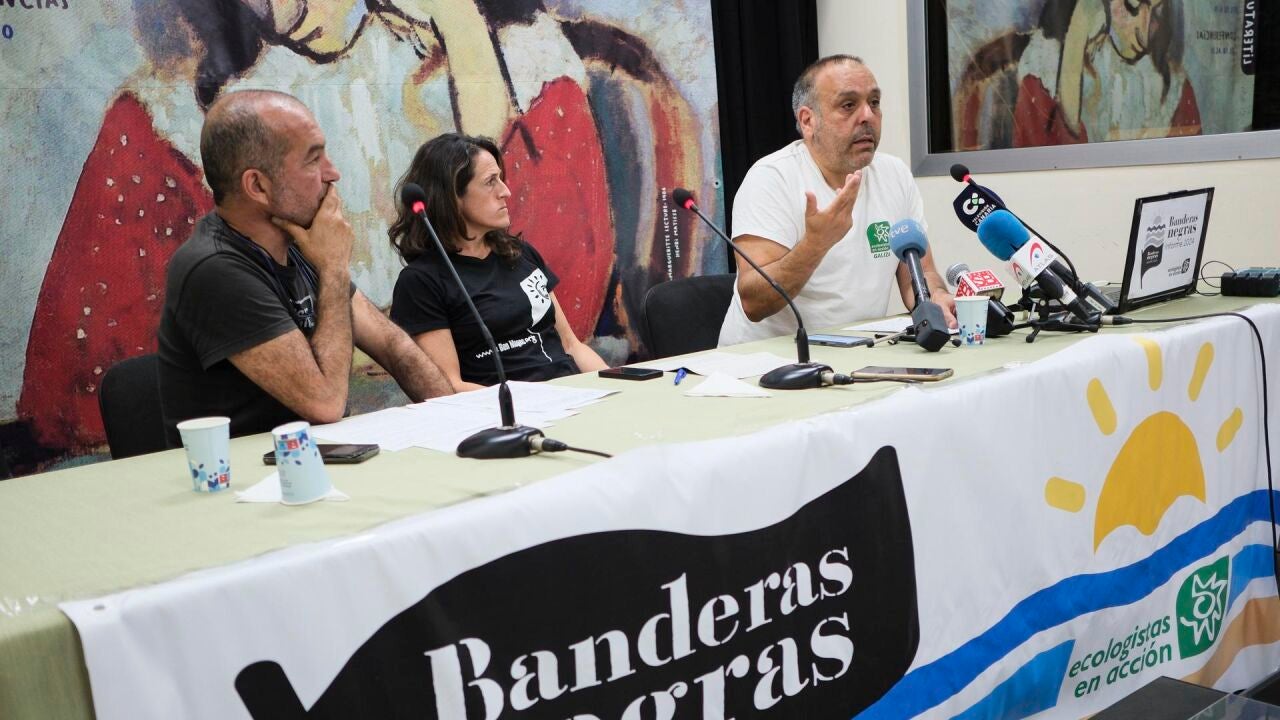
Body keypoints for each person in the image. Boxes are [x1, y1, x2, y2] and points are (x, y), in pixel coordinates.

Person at [157, 90, 453, 444]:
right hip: (250, 470)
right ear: (258, 186)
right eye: (313, 160)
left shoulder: (298, 245)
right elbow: (325, 404)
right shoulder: (215, 269)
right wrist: (334, 267)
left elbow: (394, 346)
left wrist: (458, 419)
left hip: (312, 458)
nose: (333, 173)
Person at [718, 55, 955, 347]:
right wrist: (816, 243)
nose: (867, 115)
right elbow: (754, 301)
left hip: (858, 353)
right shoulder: (771, 178)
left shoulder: (894, 174)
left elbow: (919, 272)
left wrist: (936, 297)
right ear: (808, 121)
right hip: (766, 362)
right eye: (848, 105)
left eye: (874, 102)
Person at [387, 133, 607, 391]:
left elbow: (572, 346)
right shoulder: (422, 282)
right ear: (451, 196)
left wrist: (622, 387)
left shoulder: (520, 254)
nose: (505, 191)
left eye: (500, 179)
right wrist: (529, 403)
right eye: (490, 182)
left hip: (572, 393)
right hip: (509, 408)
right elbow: (448, 386)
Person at [1012, 0, 1200, 146]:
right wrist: (1077, 36)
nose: (1144, 35)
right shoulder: (1043, 72)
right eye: (1132, 6)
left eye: (1157, 11)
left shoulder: (1174, 89)